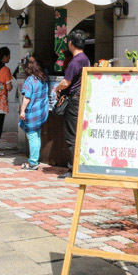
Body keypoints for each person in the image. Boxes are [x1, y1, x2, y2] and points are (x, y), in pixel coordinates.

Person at [54, 30, 90, 178]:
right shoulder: (85, 59)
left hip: (73, 100)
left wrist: (57, 88)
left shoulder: (75, 61)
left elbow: (66, 82)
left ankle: (73, 169)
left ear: (71, 43)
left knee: (72, 136)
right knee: (78, 134)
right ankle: (78, 166)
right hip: (80, 99)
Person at [18, 54, 49, 170]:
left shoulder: (30, 80)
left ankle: (33, 162)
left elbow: (27, 97)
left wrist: (22, 111)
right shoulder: (43, 78)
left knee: (32, 136)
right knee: (37, 135)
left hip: (32, 112)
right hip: (41, 111)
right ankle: (35, 159)